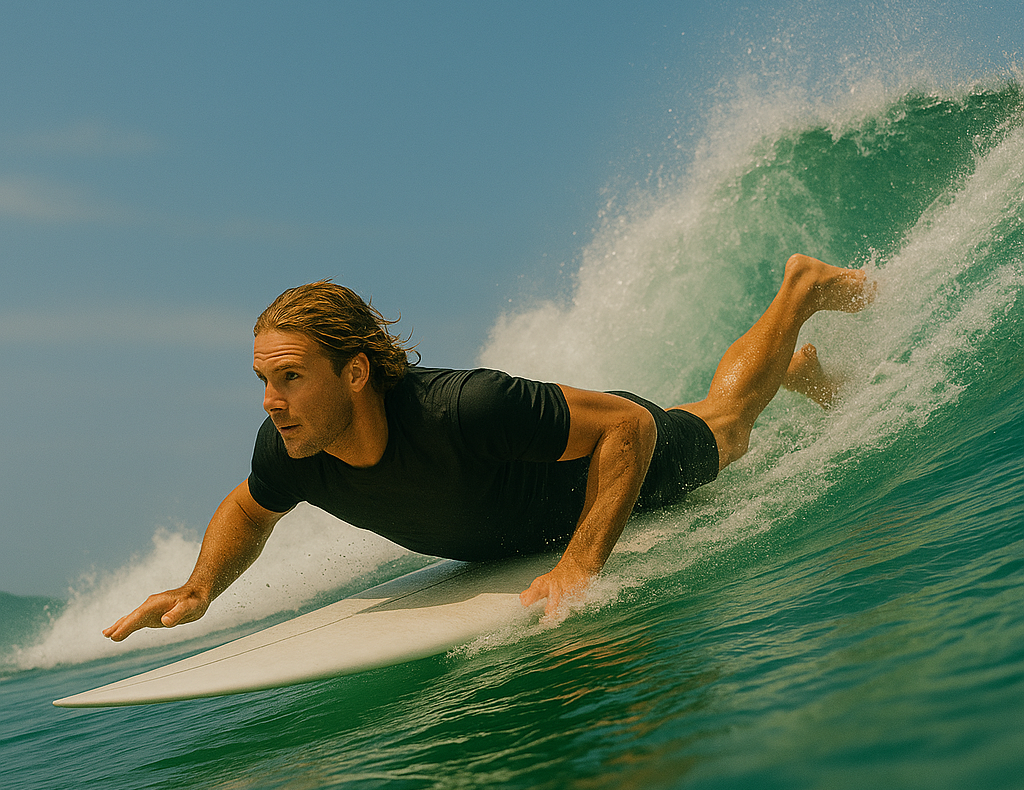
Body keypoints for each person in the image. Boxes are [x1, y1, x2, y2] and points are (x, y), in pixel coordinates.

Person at [103, 254, 872, 642]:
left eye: (292, 378)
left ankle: (799, 290)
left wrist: (579, 564)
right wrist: (202, 585)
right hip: (550, 488)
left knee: (727, 429)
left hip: (617, 462)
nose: (272, 403)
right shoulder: (292, 446)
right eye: (264, 381)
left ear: (357, 372)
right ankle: (797, 369)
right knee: (707, 409)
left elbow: (627, 431)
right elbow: (250, 509)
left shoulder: (464, 409)